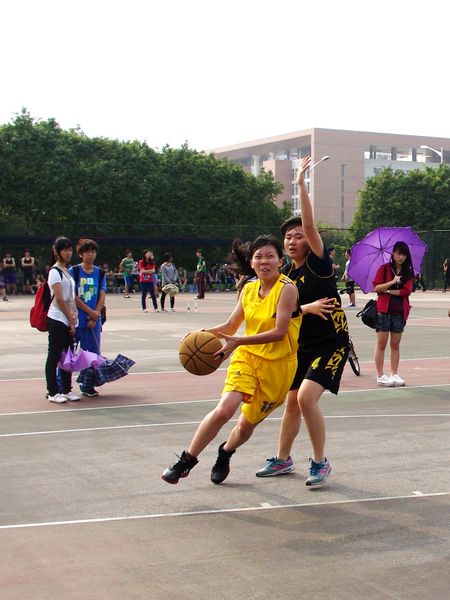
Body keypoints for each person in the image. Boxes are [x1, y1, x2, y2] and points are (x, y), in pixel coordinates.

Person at [161, 235, 333, 485]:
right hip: (248, 358)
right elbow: (231, 326)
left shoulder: (287, 289)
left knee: (244, 427)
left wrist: (238, 341)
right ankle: (186, 461)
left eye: (270, 256)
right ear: (251, 263)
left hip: (278, 368)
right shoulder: (249, 289)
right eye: (258, 257)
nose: (264, 261)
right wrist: (201, 333)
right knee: (224, 409)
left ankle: (226, 452)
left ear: (280, 261)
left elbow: (279, 332)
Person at [255, 156, 349, 487]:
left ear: (309, 241)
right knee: (291, 402)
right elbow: (280, 314)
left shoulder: (318, 265)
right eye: (288, 238)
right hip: (303, 346)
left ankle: (320, 462)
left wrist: (300, 184)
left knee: (306, 398)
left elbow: (310, 226)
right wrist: (305, 309)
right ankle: (283, 459)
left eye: (298, 236)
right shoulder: (286, 277)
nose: (293, 240)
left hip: (331, 344)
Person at [69, 238, 107, 397]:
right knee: (68, 353)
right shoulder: (74, 271)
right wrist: (89, 312)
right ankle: (61, 385)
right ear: (81, 254)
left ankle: (87, 385)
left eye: (93, 251)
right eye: (87, 252)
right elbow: (72, 296)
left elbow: (102, 294)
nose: (90, 254)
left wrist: (95, 314)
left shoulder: (100, 273)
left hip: (93, 321)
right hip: (76, 319)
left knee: (91, 354)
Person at [45, 237, 80, 404]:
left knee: (67, 355)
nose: (68, 253)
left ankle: (66, 389)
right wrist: (70, 318)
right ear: (57, 251)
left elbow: (71, 297)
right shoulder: (55, 271)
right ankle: (52, 391)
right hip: (57, 318)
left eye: (70, 250)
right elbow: (59, 299)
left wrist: (74, 314)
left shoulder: (66, 270)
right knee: (54, 355)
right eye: (65, 249)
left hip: (68, 318)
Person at [373, 241, 414, 387]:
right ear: (393, 253)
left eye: (404, 254)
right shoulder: (384, 269)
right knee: (381, 343)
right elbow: (377, 287)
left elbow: (406, 291)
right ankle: (380, 375)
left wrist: (389, 291)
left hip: (399, 311)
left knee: (395, 344)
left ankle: (394, 373)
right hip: (383, 311)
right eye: (399, 253)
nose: (401, 257)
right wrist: (392, 282)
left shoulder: (408, 272)